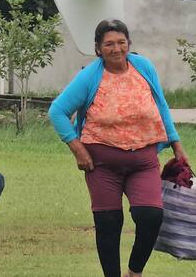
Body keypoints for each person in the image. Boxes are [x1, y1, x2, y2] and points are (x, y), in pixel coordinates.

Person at [48, 19, 188, 277]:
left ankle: (135, 272)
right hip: (101, 164)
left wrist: (176, 143)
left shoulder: (143, 67)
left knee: (150, 216)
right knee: (108, 222)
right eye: (109, 44)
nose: (116, 48)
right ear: (98, 49)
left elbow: (161, 106)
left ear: (129, 44)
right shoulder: (90, 76)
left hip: (143, 161)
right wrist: (77, 148)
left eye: (121, 42)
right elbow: (57, 111)